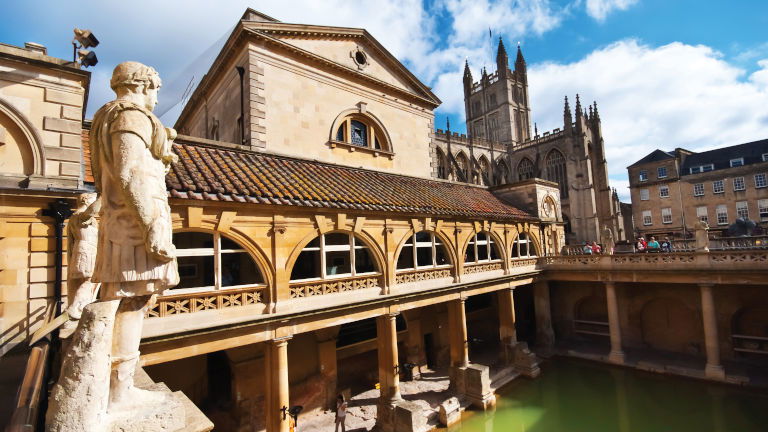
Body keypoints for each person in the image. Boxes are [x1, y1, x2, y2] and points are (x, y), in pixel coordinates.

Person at [90, 61, 180, 408]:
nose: (157, 99)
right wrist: (153, 225)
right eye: (155, 89)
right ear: (142, 85)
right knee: (132, 300)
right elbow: (129, 173)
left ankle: (117, 385)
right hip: (134, 227)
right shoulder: (130, 115)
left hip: (125, 223)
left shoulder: (109, 116)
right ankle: (120, 390)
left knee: (128, 299)